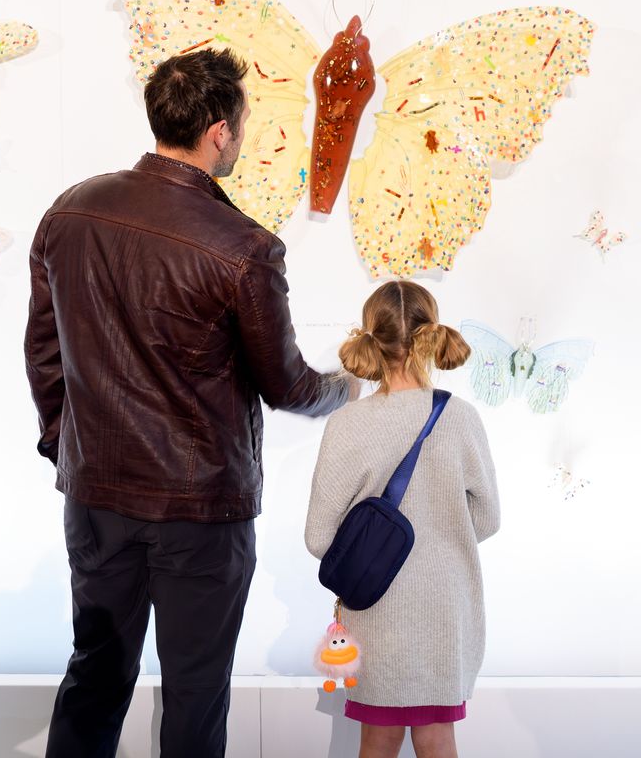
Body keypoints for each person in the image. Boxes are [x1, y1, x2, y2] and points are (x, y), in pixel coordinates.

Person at [26, 47, 357, 758]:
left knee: (94, 676)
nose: (242, 136)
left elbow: (43, 354)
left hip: (97, 495)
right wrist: (347, 387)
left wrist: (68, 451)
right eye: (243, 122)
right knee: (196, 694)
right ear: (218, 131)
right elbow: (287, 385)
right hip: (200, 509)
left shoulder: (71, 211)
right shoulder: (244, 249)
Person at [305, 280, 499, 758]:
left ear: (372, 335)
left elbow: (318, 538)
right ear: (431, 334)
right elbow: (488, 518)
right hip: (447, 610)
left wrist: (378, 552)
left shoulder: (347, 423)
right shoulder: (461, 418)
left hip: (377, 610)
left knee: (378, 739)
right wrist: (438, 539)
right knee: (438, 738)